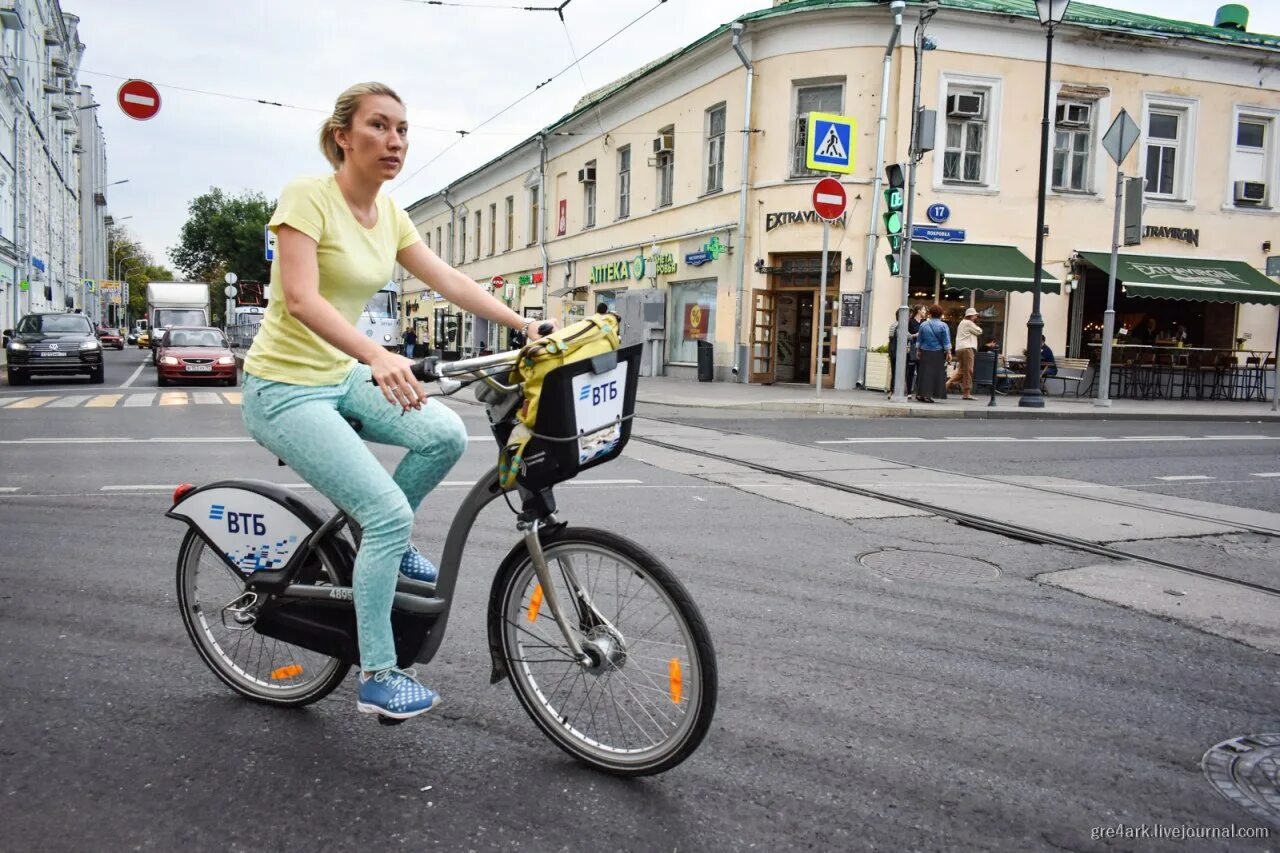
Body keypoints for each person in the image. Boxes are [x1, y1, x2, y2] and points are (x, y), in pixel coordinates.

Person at [241, 82, 554, 722]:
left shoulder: (391, 212)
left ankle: (378, 536)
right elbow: (300, 298)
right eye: (380, 126)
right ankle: (378, 674)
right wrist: (377, 355)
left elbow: (450, 280)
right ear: (342, 138)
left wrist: (524, 327)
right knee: (387, 517)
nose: (395, 141)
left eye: (403, 129)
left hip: (339, 374)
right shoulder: (308, 197)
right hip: (283, 387)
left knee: (443, 435)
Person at [914, 304, 951, 403]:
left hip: (925, 352)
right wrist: (949, 353)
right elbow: (946, 341)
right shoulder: (943, 325)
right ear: (940, 314)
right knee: (935, 374)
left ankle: (920, 394)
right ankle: (928, 395)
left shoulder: (923, 324)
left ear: (930, 313)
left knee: (924, 373)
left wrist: (918, 351)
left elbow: (919, 339)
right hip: (937, 353)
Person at [955, 307, 982, 400]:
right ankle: (967, 393)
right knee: (968, 371)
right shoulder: (969, 323)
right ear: (971, 316)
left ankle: (945, 385)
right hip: (967, 348)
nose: (976, 317)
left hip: (960, 348)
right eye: (975, 315)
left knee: (961, 371)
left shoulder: (962, 323)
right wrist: (977, 326)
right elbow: (979, 331)